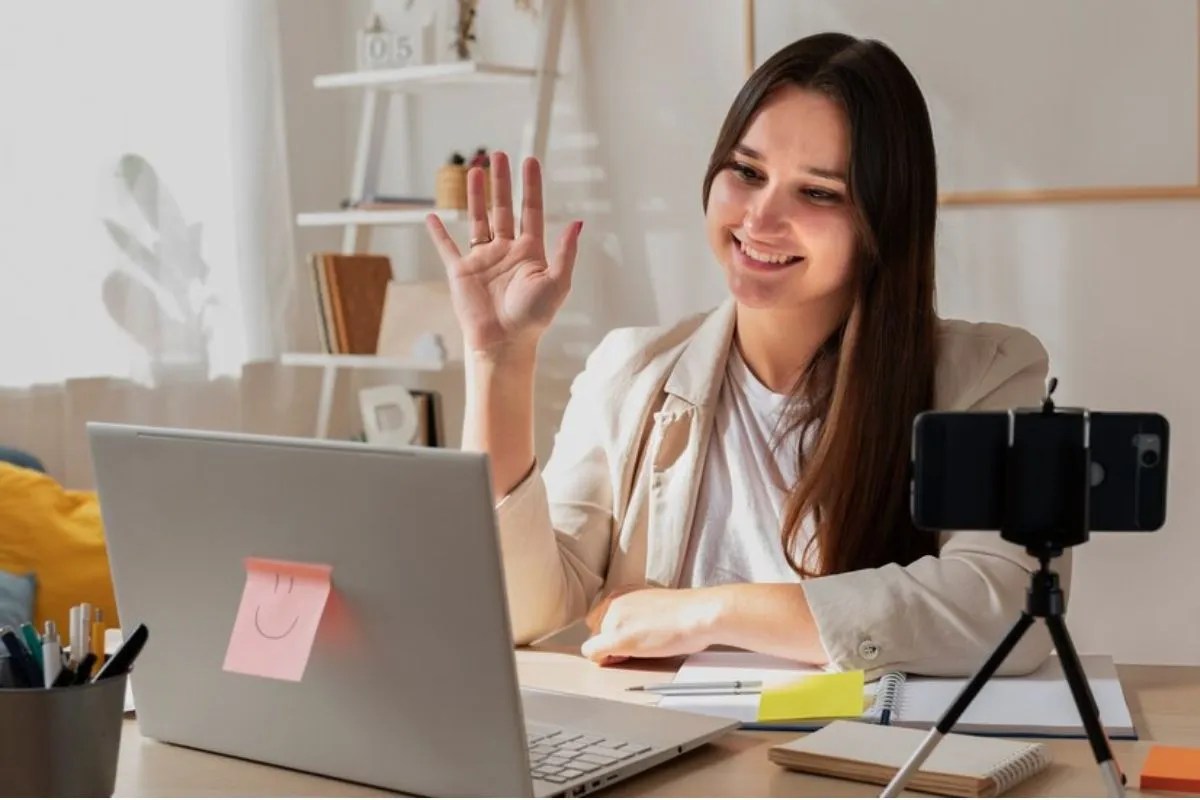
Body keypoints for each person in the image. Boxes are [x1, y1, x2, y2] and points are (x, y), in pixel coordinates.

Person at [424, 32, 1067, 677]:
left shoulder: (987, 374)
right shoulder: (631, 370)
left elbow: (1010, 606)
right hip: (677, 764)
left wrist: (706, 613)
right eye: (747, 172)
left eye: (817, 192)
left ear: (883, 223)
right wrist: (499, 361)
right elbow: (520, 611)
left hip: (862, 770)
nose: (760, 219)